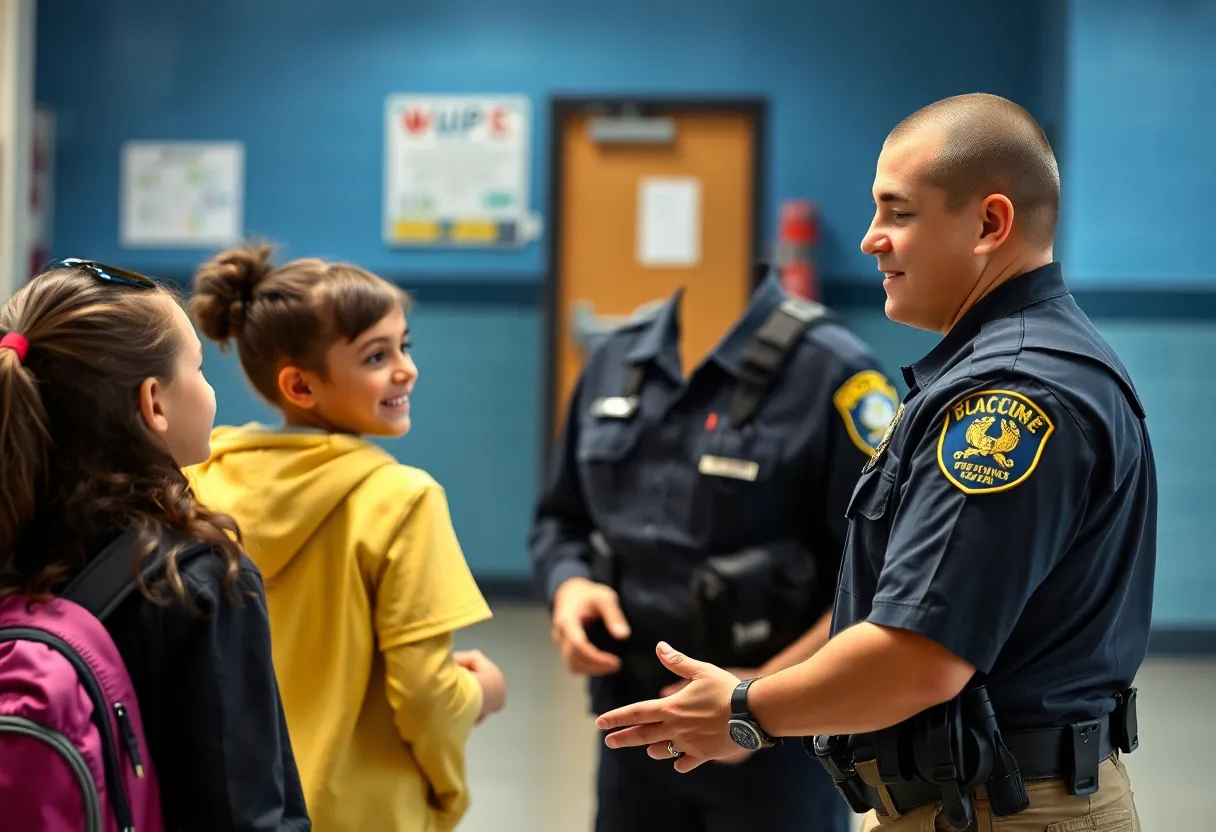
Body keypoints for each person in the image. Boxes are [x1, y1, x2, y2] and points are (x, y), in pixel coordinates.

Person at [594, 93, 1154, 832]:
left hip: (1003, 810)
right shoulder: (1017, 365)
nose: (870, 240)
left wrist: (743, 710)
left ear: (990, 224)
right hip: (968, 795)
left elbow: (921, 657)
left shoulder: (1009, 397)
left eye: (898, 213)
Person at [529, 263, 901, 832]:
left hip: (774, 741)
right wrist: (570, 585)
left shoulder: (833, 372)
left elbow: (878, 579)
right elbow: (561, 520)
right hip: (635, 724)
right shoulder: (615, 359)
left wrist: (754, 704)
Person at [185, 244, 508, 832]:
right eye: (376, 355)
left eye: (404, 346)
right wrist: (480, 696)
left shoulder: (197, 482)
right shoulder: (403, 500)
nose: (405, 369)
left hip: (232, 803)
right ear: (301, 386)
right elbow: (424, 693)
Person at [0, 259, 310, 830]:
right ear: (155, 403)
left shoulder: (14, 541)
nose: (209, 386)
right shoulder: (193, 577)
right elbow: (242, 809)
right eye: (197, 367)